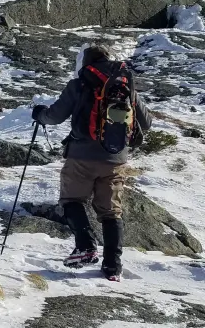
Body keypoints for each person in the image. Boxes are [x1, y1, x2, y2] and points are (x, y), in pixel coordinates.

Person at [32, 45, 152, 280]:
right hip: (116, 158)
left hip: (81, 155)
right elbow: (146, 122)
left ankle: (85, 246)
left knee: (71, 200)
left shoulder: (79, 84)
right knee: (111, 212)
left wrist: (39, 113)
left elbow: (55, 116)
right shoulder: (125, 85)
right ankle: (112, 266)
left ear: (84, 62)